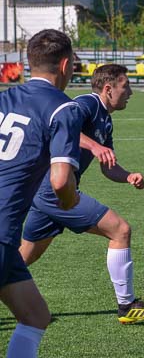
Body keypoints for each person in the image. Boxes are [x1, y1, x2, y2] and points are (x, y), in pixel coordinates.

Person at [19, 64, 144, 325]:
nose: (131, 92)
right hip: (54, 190)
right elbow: (61, 127)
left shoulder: (106, 121)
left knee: (20, 260)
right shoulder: (86, 104)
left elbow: (107, 166)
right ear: (108, 89)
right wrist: (95, 145)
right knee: (120, 230)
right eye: (126, 86)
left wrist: (127, 175)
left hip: (51, 192)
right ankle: (127, 305)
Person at [0, 29, 82, 358]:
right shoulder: (63, 109)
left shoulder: (4, 98)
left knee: (36, 316)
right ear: (65, 65)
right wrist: (69, 202)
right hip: (2, 233)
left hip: (6, 244)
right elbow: (61, 180)